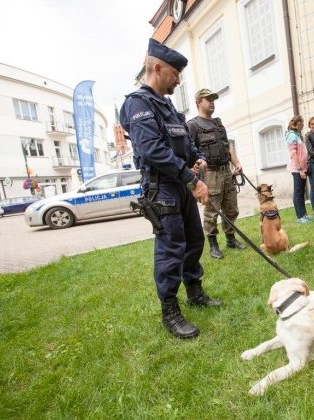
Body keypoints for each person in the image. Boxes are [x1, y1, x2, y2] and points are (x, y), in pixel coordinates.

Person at [119, 38, 220, 340]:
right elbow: (152, 150)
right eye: (175, 73)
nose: (178, 79)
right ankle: (169, 311)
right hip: (161, 188)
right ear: (158, 67)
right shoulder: (138, 103)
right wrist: (192, 180)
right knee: (170, 249)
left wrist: (196, 158)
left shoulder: (168, 106)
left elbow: (183, 143)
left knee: (193, 241)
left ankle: (195, 292)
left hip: (182, 186)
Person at [187, 88, 245, 259]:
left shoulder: (218, 124)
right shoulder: (193, 125)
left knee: (231, 208)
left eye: (213, 99)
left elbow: (228, 147)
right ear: (199, 102)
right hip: (210, 174)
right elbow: (189, 151)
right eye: (208, 99)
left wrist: (237, 164)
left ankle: (231, 239)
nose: (212, 102)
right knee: (212, 211)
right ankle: (213, 245)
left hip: (226, 171)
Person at [285, 115, 313, 224]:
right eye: (301, 123)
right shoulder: (291, 135)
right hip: (297, 169)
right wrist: (300, 169)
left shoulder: (297, 135)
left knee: (301, 192)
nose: (303, 125)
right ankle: (300, 217)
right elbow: (293, 153)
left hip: (303, 168)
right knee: (298, 192)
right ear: (296, 124)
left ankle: (304, 215)